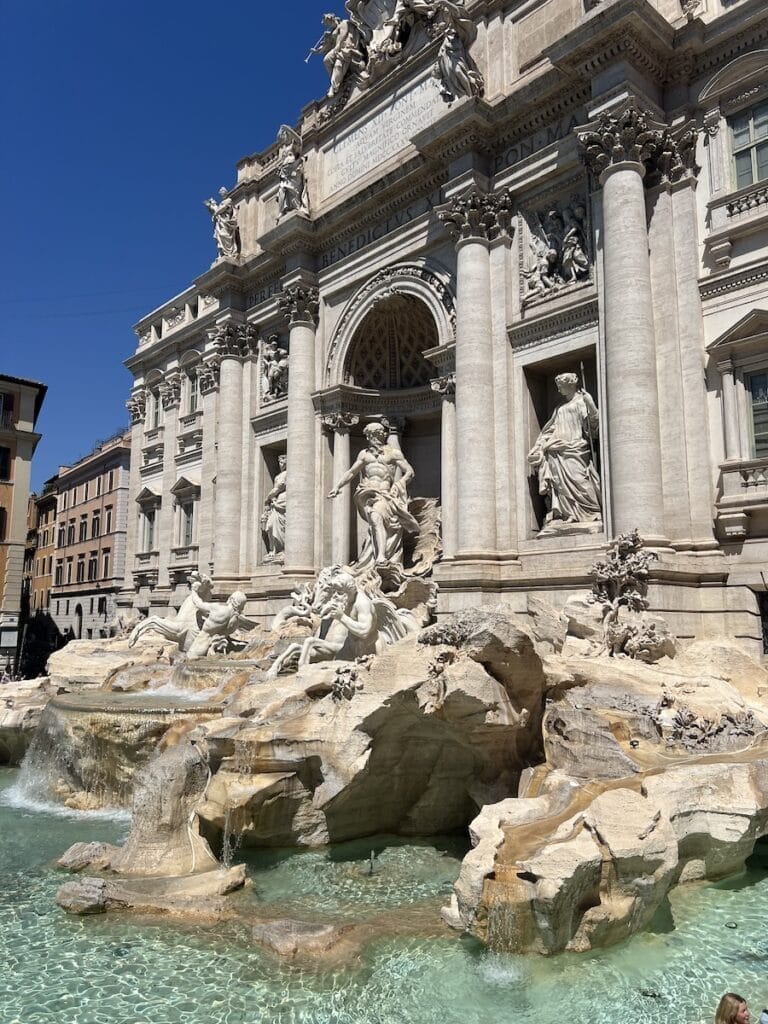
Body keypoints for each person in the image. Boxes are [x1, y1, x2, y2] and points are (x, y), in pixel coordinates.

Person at [328, 420, 418, 570]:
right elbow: (351, 472)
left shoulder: (393, 453)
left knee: (376, 519)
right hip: (367, 495)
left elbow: (410, 472)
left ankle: (381, 556)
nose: (374, 438)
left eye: (377, 434)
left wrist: (399, 484)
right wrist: (338, 486)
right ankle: (379, 555)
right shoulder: (364, 455)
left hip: (384, 495)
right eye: (372, 435)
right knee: (375, 522)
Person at [527, 372, 601, 532]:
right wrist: (539, 446)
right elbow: (550, 429)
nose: (559, 389)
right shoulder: (559, 408)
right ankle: (568, 515)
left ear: (571, 385)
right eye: (558, 387)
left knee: (580, 480)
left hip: (575, 447)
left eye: (561, 386)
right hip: (556, 449)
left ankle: (592, 511)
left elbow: (593, 425)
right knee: (559, 484)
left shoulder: (582, 401)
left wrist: (591, 404)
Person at [261, 455, 287, 561]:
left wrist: (267, 498)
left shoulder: (287, 474)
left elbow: (279, 488)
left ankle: (281, 549)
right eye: (279, 462)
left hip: (283, 500)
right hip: (276, 502)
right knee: (270, 525)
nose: (280, 465)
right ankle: (273, 550)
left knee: (281, 526)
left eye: (282, 462)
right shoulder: (277, 476)